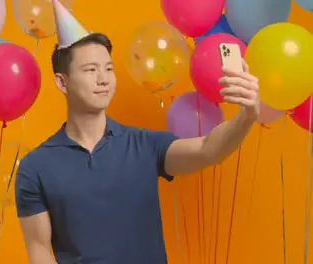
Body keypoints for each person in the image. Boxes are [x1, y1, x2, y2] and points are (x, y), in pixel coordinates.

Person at [15, 0, 259, 263]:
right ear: (62, 82)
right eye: (90, 70)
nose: (103, 79)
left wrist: (247, 116)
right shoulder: (35, 167)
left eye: (108, 69)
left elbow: (208, 149)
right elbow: (39, 250)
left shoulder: (144, 145)